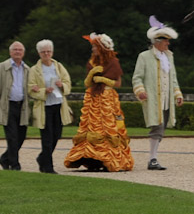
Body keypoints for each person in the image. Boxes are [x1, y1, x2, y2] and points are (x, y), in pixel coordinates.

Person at [64, 33, 134, 172]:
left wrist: (103, 80)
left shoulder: (113, 62)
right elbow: (87, 83)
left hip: (107, 98)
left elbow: (118, 83)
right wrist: (91, 74)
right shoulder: (92, 62)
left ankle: (109, 158)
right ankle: (91, 158)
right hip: (93, 98)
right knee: (90, 128)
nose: (93, 49)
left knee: (109, 127)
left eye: (95, 46)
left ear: (101, 47)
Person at [132, 16, 184, 171]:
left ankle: (153, 157)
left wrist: (177, 94)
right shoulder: (144, 56)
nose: (168, 43)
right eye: (166, 41)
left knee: (161, 128)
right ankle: (152, 159)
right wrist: (140, 90)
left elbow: (173, 77)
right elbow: (137, 77)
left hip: (166, 99)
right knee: (157, 127)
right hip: (154, 98)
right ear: (157, 42)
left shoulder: (169, 56)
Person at [28, 39, 73, 174]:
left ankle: (42, 158)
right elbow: (30, 89)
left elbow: (68, 83)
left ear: (52, 52)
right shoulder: (34, 70)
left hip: (58, 106)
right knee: (47, 137)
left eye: (48, 51)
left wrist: (62, 85)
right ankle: (48, 167)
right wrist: (43, 91)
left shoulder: (58, 66)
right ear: (39, 53)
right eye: (43, 52)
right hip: (44, 107)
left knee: (57, 135)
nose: (46, 54)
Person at [0, 42, 30, 171]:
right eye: (15, 50)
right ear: (10, 52)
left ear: (23, 52)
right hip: (8, 106)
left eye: (20, 50)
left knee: (21, 136)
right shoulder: (2, 67)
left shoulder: (28, 69)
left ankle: (5, 158)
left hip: (22, 107)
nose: (17, 52)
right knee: (12, 136)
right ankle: (15, 165)